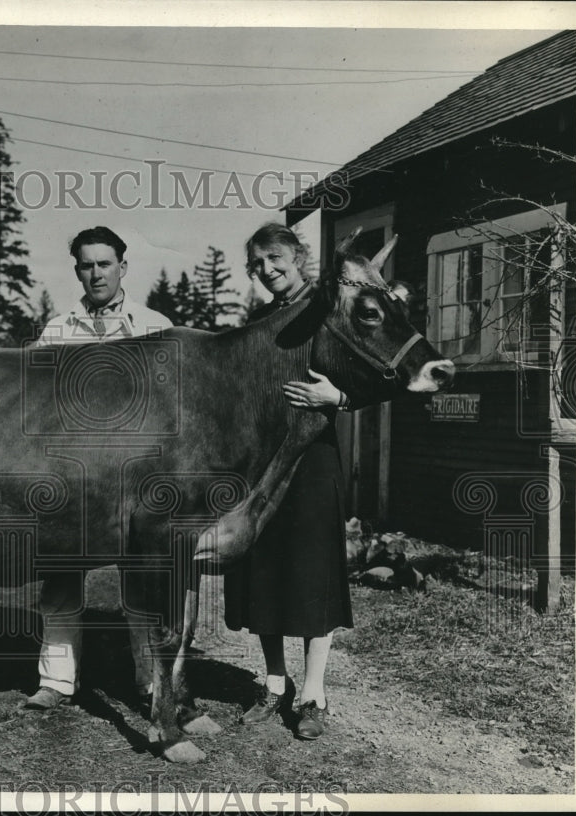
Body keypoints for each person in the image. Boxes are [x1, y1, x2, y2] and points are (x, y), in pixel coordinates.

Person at [23, 226, 174, 711]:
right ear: (77, 272)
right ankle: (56, 679)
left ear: (122, 267)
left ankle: (150, 680)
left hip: (137, 478)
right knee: (62, 573)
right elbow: (33, 402)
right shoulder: (57, 330)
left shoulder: (154, 327)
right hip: (74, 479)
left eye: (104, 264)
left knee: (142, 579)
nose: (96, 274)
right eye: (86, 265)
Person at [224, 222, 354, 740]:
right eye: (256, 265)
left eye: (274, 258)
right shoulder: (259, 321)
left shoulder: (332, 311)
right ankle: (275, 684)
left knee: (312, 572)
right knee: (265, 570)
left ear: (299, 255)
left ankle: (314, 694)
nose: (266, 270)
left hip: (314, 462)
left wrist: (338, 399)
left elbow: (378, 376)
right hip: (262, 465)